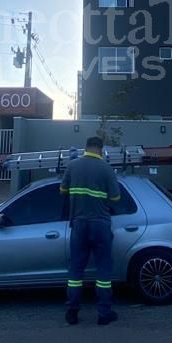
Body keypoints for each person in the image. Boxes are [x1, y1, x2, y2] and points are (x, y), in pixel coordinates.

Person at [59, 135, 121, 326]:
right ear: (101, 149)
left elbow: (62, 190)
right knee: (103, 269)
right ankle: (104, 313)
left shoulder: (73, 166)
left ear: (85, 147)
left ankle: (72, 312)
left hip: (79, 224)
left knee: (76, 269)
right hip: (100, 224)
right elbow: (116, 198)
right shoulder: (106, 168)